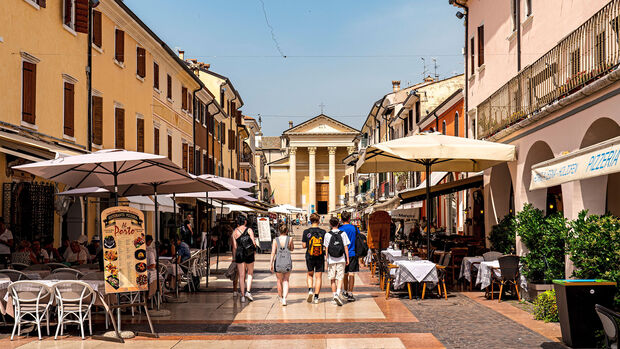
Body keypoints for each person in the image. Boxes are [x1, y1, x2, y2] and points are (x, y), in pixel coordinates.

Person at [323, 216, 350, 306]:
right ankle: (338, 294)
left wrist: (326, 261)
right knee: (340, 277)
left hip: (331, 259)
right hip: (341, 258)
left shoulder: (327, 235)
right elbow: (346, 247)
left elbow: (326, 248)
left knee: (332, 278)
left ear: (330, 224)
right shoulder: (343, 233)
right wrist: (347, 258)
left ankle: (334, 295)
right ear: (338, 223)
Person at [301, 213, 326, 304]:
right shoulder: (323, 232)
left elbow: (304, 246)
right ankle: (316, 297)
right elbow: (325, 245)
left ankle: (310, 290)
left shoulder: (306, 232)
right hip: (320, 255)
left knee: (310, 274)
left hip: (309, 255)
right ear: (319, 221)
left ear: (310, 221)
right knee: (318, 277)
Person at [232, 215, 257, 303]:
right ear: (245, 221)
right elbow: (253, 242)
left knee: (241, 276)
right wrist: (254, 251)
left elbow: (234, 247)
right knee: (250, 273)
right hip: (249, 253)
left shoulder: (234, 232)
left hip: (239, 253)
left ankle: (242, 296)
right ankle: (248, 292)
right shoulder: (249, 230)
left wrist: (234, 258)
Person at [270, 223, 294, 306]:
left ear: (279, 231)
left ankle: (280, 297)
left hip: (278, 262)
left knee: (279, 281)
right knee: (286, 280)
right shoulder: (290, 239)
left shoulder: (275, 240)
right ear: (287, 231)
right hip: (287, 261)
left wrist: (271, 264)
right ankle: (284, 299)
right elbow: (292, 249)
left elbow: (273, 253)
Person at [339, 211, 359, 302]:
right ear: (349, 219)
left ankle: (345, 291)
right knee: (351, 273)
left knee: (344, 274)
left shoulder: (340, 228)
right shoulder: (354, 228)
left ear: (341, 219)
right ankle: (350, 293)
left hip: (342, 254)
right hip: (352, 253)